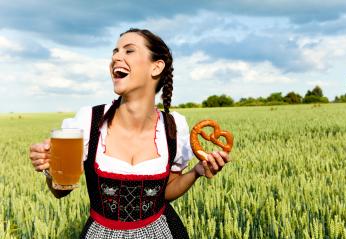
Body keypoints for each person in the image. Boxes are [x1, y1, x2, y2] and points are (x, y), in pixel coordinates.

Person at [29, 28, 231, 238]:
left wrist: (196, 171)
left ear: (156, 67)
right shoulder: (88, 120)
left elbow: (166, 192)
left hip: (161, 231)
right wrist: (50, 168)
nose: (116, 57)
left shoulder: (173, 127)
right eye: (115, 52)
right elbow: (60, 191)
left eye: (129, 51)